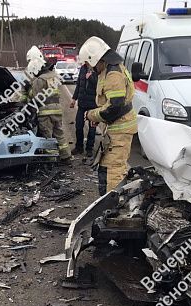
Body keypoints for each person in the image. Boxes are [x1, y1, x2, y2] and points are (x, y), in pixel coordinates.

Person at [79, 36, 137, 195]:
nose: (89, 68)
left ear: (96, 59)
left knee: (114, 169)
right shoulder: (109, 69)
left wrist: (92, 115)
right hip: (115, 128)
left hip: (120, 129)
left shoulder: (113, 74)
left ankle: (114, 208)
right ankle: (105, 202)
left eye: (89, 64)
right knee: (105, 166)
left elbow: (114, 107)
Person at [26, 46, 72, 164]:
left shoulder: (39, 80)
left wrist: (29, 89)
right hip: (57, 109)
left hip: (45, 112)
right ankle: (66, 157)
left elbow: (34, 97)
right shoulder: (53, 76)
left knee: (48, 137)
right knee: (59, 134)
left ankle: (51, 159)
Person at [70, 63, 98, 157]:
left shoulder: (97, 68)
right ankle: (79, 147)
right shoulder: (82, 68)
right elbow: (79, 85)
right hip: (82, 103)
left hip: (93, 104)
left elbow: (99, 86)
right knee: (78, 125)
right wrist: (74, 99)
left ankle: (89, 148)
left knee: (92, 128)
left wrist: (90, 77)